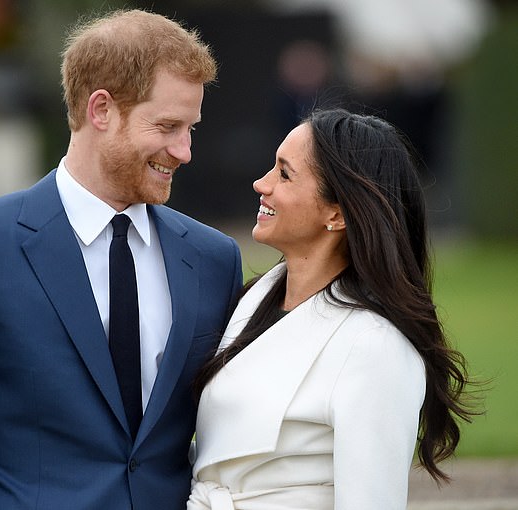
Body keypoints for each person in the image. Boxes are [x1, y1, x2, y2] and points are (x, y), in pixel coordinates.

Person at [0, 9, 242, 510]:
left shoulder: (213, 258)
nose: (184, 151)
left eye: (191, 128)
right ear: (101, 110)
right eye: (167, 126)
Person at [187, 108, 475, 509]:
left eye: (284, 174)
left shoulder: (375, 348)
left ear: (336, 214)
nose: (261, 183)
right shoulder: (252, 300)